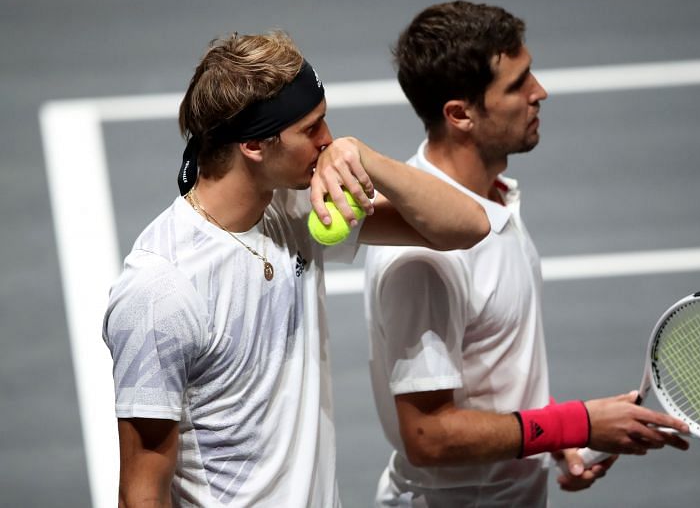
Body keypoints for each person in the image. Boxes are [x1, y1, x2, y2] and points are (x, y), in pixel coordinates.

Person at [102, 30, 490, 507]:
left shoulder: (293, 208)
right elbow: (141, 494)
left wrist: (365, 157)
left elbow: (467, 226)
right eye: (312, 129)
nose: (328, 142)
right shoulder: (160, 291)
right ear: (254, 146)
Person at [364, 0, 690, 507]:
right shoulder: (424, 256)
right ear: (460, 114)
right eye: (517, 85)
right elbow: (429, 437)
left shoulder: (493, 196)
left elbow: (489, 369)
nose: (540, 92)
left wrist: (561, 439)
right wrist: (574, 423)